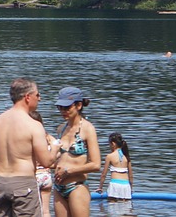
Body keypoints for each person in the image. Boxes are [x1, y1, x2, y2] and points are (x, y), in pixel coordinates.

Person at [0, 77, 55, 217]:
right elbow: (46, 162)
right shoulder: (33, 125)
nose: (39, 99)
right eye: (37, 95)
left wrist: (7, 158)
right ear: (27, 97)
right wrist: (55, 148)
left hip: (1, 183)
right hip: (23, 183)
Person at [52, 86, 100, 217]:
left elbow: (96, 165)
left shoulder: (88, 129)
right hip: (58, 187)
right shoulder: (61, 129)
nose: (63, 111)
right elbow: (59, 158)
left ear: (78, 105)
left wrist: (68, 171)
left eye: (67, 107)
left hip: (77, 187)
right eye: (60, 108)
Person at [28, 109, 56, 215]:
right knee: (46, 211)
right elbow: (59, 145)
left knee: (33, 211)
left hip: (34, 176)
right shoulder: (47, 137)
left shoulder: (29, 138)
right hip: (46, 176)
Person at [97, 132, 132, 201]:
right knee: (125, 210)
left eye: (109, 144)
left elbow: (104, 174)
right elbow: (131, 176)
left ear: (113, 144)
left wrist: (100, 187)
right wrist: (131, 188)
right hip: (126, 186)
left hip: (114, 184)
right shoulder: (126, 157)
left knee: (112, 209)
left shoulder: (109, 156)